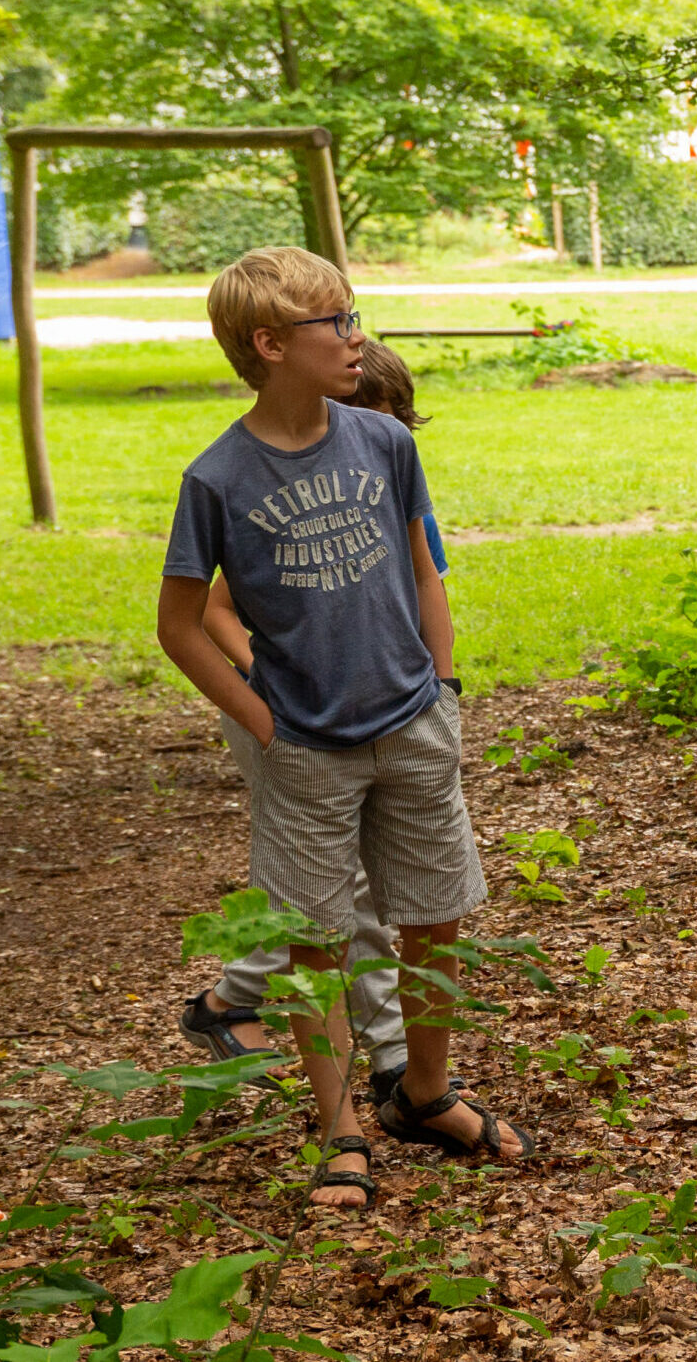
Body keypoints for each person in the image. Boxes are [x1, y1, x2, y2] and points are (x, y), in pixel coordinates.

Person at [157, 247, 531, 1212]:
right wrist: (263, 724)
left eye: (354, 315)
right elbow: (179, 623)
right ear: (270, 344)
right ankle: (341, 1134)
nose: (357, 335)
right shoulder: (218, 479)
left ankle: (424, 1093)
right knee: (317, 941)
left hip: (412, 724)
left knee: (433, 918)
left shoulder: (384, 443)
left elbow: (422, 572)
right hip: (307, 752)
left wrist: (443, 689)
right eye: (339, 323)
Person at [176, 340, 451, 1114]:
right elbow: (213, 609)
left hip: (386, 711)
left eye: (386, 423)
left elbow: (418, 591)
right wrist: (268, 685)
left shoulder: (390, 487)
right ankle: (392, 1056)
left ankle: (227, 1001)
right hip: (290, 713)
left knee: (337, 888)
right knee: (338, 897)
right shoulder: (244, 482)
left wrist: (442, 687)